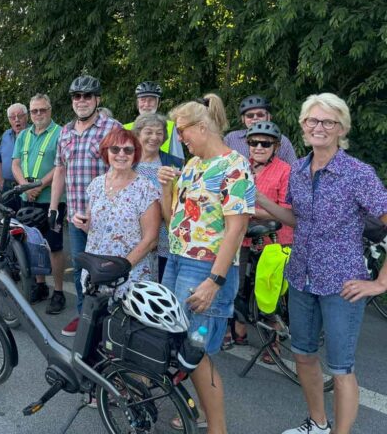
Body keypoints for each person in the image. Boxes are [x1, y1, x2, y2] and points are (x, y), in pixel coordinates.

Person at [256, 93, 387, 434]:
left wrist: (381, 283)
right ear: (302, 125)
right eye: (313, 120)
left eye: (328, 121)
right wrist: (260, 199)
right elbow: (299, 221)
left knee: (341, 368)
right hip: (301, 277)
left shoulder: (357, 173)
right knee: (302, 354)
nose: (319, 127)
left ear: (341, 128)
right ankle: (318, 424)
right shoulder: (298, 170)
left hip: (342, 284)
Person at [157, 93, 254, 434]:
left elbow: (237, 228)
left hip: (207, 267)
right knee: (180, 345)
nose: (179, 139)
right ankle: (199, 413)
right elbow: (173, 222)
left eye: (182, 132)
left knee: (195, 351)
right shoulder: (193, 166)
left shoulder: (235, 165)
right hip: (178, 259)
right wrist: (166, 188)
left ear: (200, 127)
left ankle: (217, 427)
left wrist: (215, 280)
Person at [49, 75, 122, 336]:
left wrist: (97, 211)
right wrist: (54, 208)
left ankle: (109, 323)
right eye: (76, 96)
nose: (81, 101)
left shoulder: (112, 128)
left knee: (106, 272)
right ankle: (84, 317)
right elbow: (60, 170)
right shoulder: (65, 131)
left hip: (104, 219)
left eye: (87, 96)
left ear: (97, 99)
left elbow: (122, 172)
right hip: (75, 217)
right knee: (81, 271)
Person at [222, 121, 293, 356]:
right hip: (242, 235)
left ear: (276, 146)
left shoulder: (285, 170)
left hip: (274, 237)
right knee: (237, 284)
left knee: (270, 290)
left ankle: (272, 340)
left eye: (265, 143)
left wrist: (249, 210)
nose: (259, 147)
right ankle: (238, 330)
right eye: (253, 143)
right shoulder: (241, 167)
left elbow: (285, 209)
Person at [80, 127, 161, 293]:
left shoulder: (145, 188)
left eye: (128, 150)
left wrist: (120, 268)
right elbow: (93, 229)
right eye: (115, 149)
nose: (121, 154)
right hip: (96, 270)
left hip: (130, 275)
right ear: (106, 152)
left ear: (135, 154)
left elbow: (151, 240)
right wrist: (83, 224)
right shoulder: (96, 184)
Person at [11, 94, 67, 314]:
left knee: (54, 246)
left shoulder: (61, 133)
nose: (38, 114)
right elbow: (15, 164)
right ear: (29, 113)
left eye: (42, 110)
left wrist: (40, 185)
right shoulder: (23, 135)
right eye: (34, 111)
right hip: (27, 199)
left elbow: (61, 165)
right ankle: (41, 285)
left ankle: (59, 291)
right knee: (33, 244)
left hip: (51, 199)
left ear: (50, 110)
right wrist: (25, 186)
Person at [131, 112, 184, 281]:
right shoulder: (126, 160)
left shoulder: (174, 163)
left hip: (163, 240)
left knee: (159, 289)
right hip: (131, 240)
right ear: (138, 133)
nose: (154, 137)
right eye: (149, 132)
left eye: (159, 133)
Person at [224, 94, 296, 165]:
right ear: (243, 119)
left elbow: (294, 169)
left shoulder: (282, 141)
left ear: (269, 116)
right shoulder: (231, 138)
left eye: (260, 115)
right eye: (250, 115)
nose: (255, 118)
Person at [123, 81, 184, 159]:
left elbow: (177, 159)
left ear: (158, 103)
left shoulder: (170, 127)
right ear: (137, 103)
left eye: (151, 100)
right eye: (143, 100)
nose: (146, 104)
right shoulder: (125, 128)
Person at [0, 103, 28, 211]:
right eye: (13, 117)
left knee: (26, 221)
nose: (17, 120)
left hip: (26, 185)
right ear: (9, 120)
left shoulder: (33, 135)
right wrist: (0, 179)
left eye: (20, 116)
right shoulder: (6, 135)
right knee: (8, 219)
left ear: (26, 117)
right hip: (8, 186)